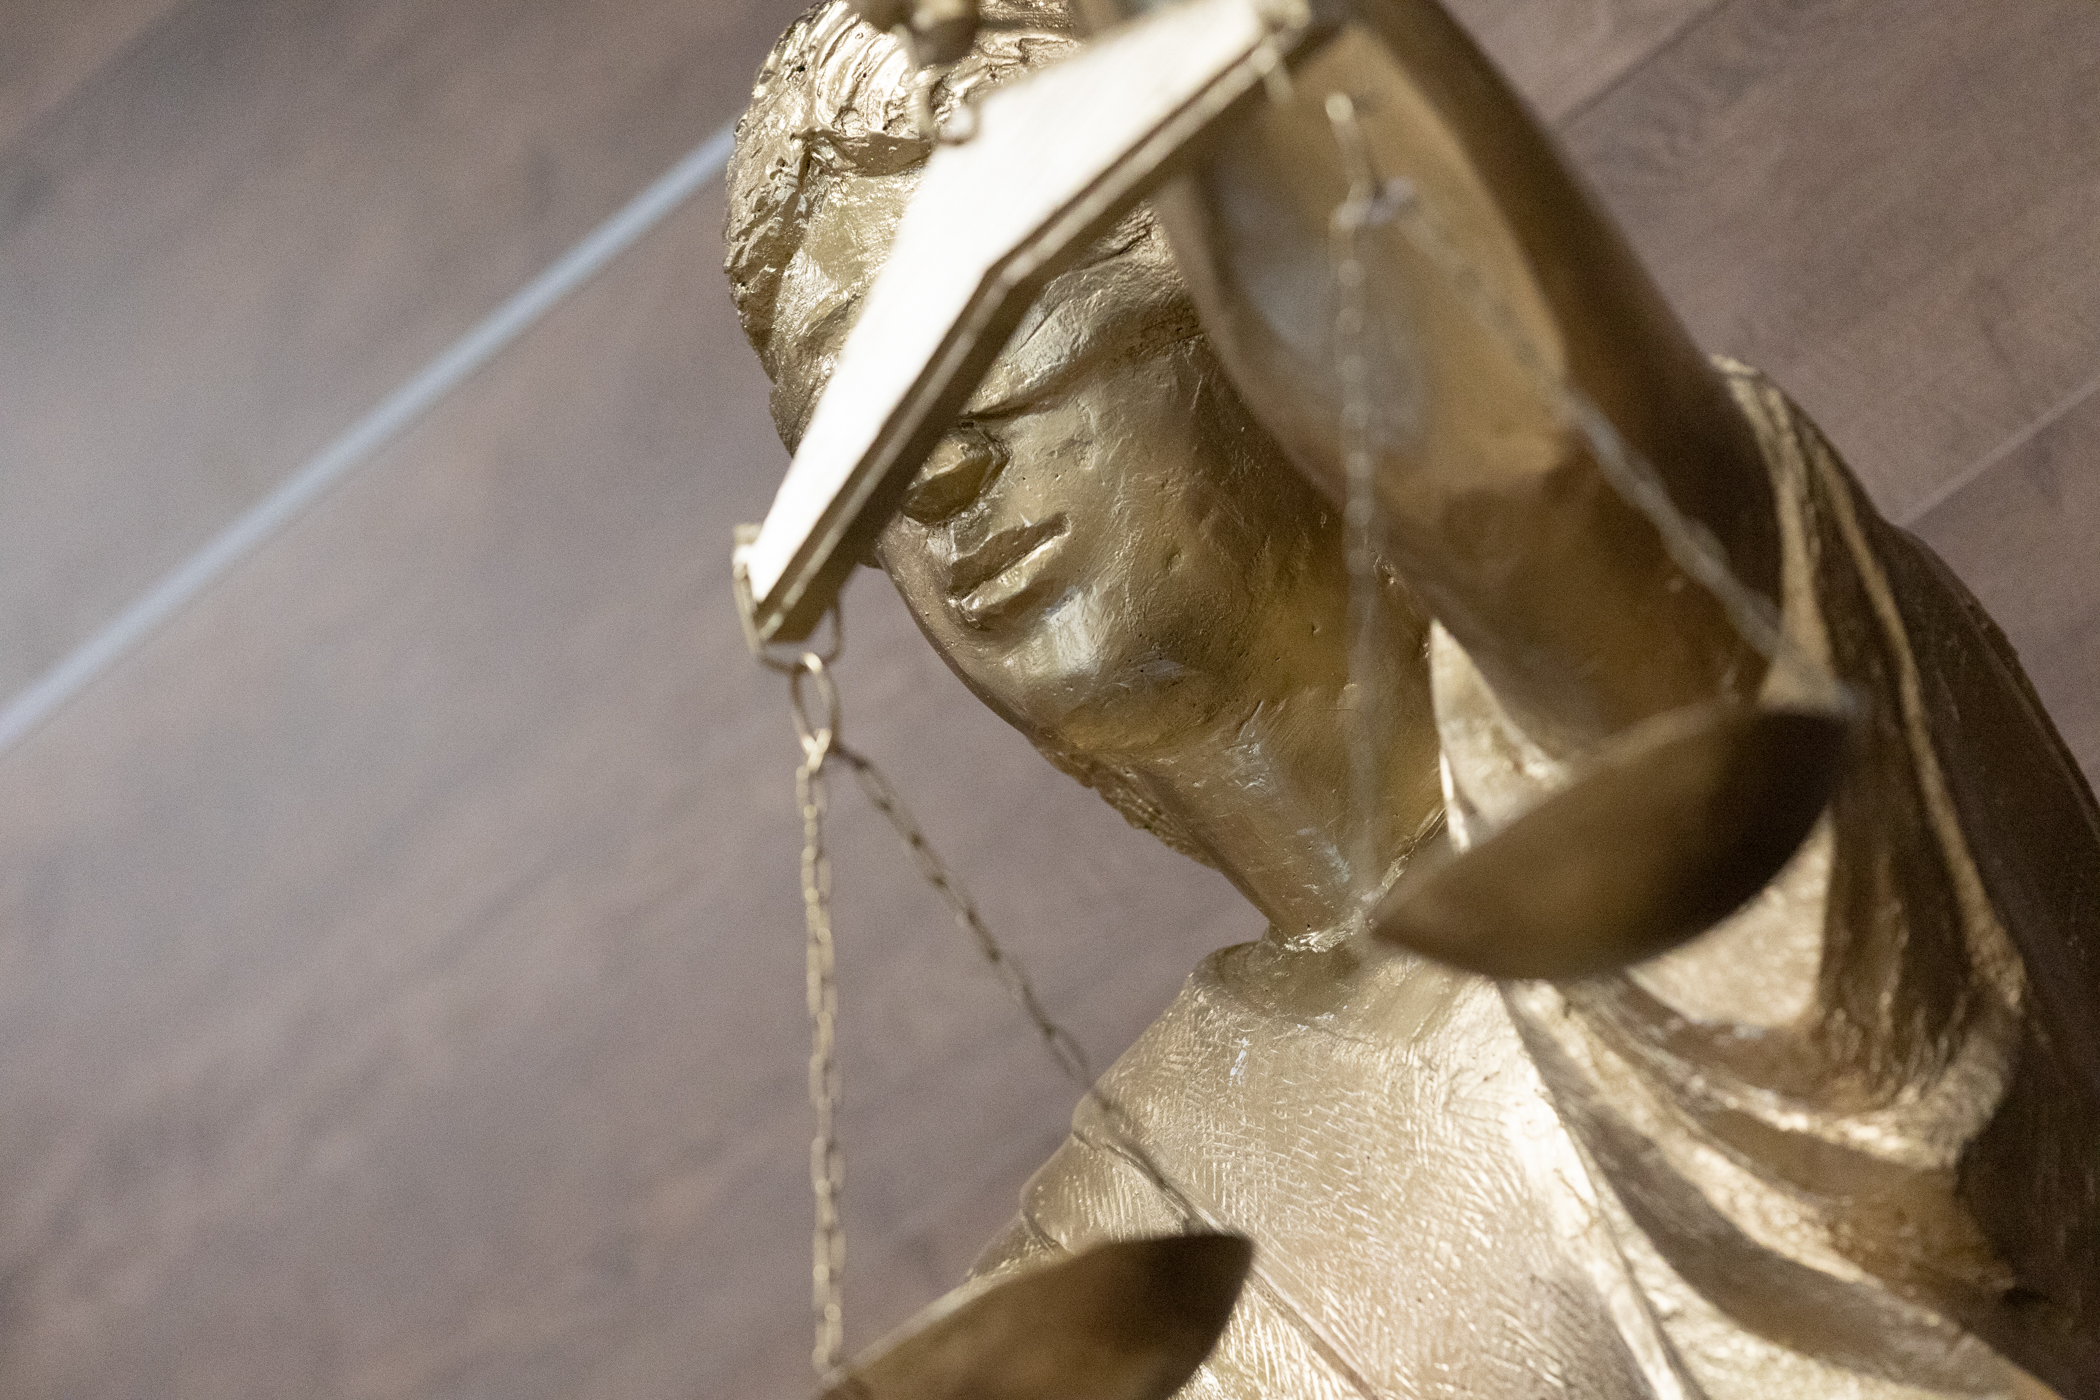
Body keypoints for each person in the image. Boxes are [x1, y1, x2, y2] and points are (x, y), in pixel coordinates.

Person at [723, 2, 2099, 1395]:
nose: (931, 477)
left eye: (970, 334)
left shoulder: (1679, 741)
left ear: (1233, 276)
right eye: (853, 438)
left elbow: (1541, 479)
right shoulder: (1118, 1261)